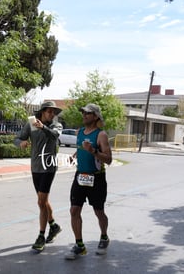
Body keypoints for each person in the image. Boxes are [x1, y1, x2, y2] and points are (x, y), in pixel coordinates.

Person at [65, 103, 112, 260]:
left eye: (88, 113)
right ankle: (79, 245)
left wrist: (93, 151)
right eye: (83, 112)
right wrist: (74, 156)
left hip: (96, 177)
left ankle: (104, 237)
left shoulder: (101, 135)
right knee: (74, 210)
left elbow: (109, 159)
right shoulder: (79, 132)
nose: (84, 115)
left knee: (99, 211)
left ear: (96, 116)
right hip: (80, 176)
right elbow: (81, 147)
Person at [15, 101, 63, 252]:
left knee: (41, 201)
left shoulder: (56, 126)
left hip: (49, 166)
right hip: (35, 167)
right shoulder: (31, 124)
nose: (52, 114)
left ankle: (41, 236)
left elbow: (54, 136)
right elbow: (17, 138)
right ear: (42, 111)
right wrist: (21, 143)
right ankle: (54, 226)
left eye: (54, 112)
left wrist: (43, 127)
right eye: (49, 111)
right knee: (44, 202)